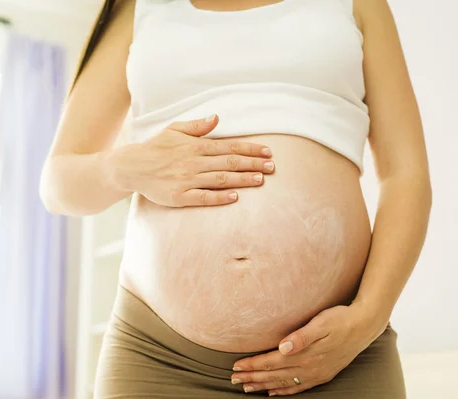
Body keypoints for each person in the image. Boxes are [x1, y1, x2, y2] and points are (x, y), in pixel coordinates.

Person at [40, 0, 432, 397]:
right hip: (159, 360)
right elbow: (57, 185)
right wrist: (128, 167)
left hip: (336, 359)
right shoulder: (140, 7)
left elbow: (406, 174)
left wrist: (367, 318)